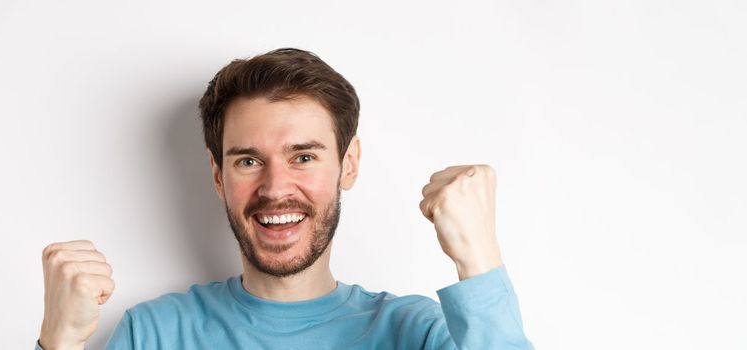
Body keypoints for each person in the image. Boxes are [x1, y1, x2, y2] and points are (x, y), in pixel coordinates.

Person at [35, 48, 534, 350]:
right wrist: (59, 340)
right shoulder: (156, 334)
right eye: (248, 161)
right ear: (217, 174)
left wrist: (480, 262)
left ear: (349, 164)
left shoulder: (414, 332)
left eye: (303, 157)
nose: (275, 188)